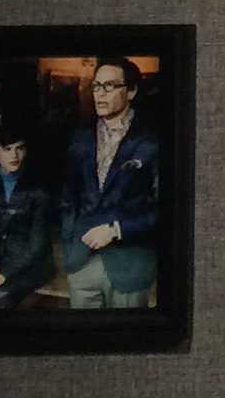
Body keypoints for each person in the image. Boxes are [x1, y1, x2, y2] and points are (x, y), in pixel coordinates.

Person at [58, 56, 162, 310]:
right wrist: (70, 243)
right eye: (96, 86)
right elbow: (68, 198)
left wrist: (117, 230)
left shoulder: (151, 142)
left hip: (129, 266)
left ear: (131, 92)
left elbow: (165, 208)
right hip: (81, 262)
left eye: (109, 86)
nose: (100, 93)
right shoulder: (81, 139)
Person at [0, 116, 56, 311]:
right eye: (7, 149)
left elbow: (37, 246)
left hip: (28, 266)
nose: (14, 155)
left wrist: (2, 275)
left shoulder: (38, 189)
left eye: (20, 148)